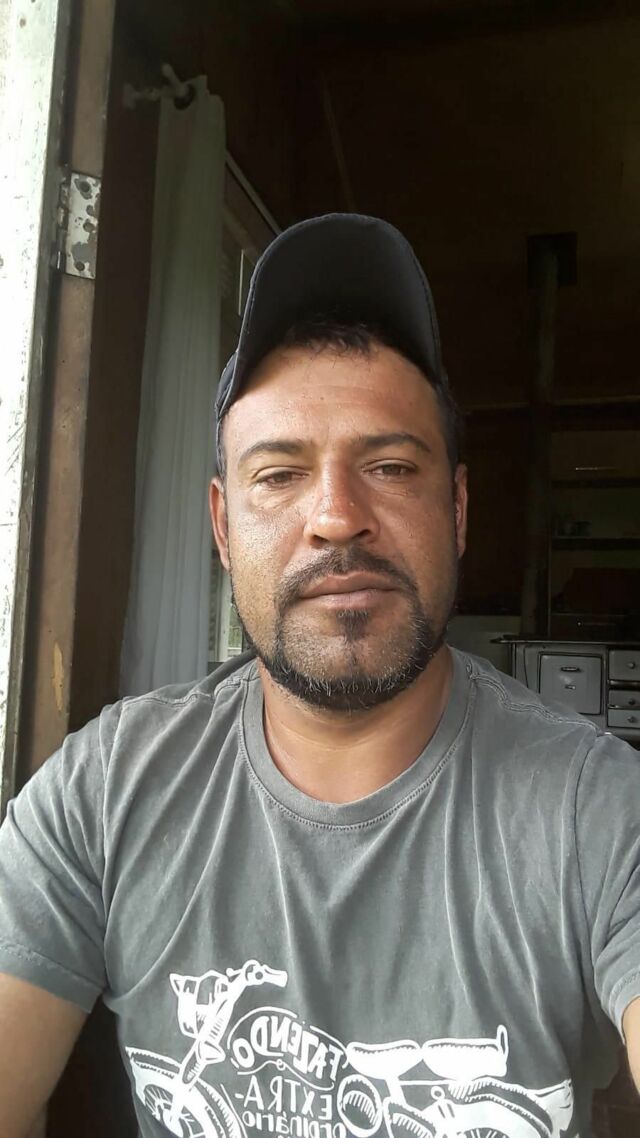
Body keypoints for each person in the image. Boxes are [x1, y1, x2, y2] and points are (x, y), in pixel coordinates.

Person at [0, 213, 638, 1138]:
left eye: (390, 465)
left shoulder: (598, 811)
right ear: (223, 527)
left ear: (458, 510)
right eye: (279, 475)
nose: (337, 516)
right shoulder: (105, 792)